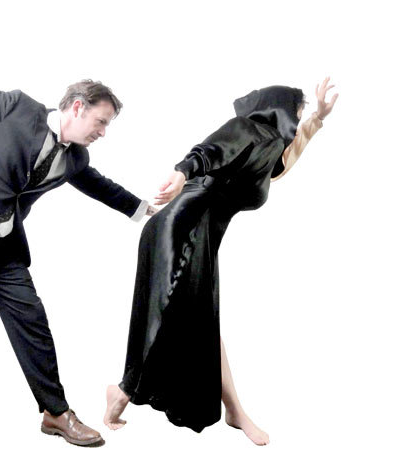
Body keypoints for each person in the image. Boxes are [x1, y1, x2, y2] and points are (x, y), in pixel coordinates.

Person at [0, 79, 155, 445]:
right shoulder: (17, 108)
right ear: (77, 107)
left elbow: (99, 186)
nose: (102, 132)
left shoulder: (75, 158)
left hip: (2, 249)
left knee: (32, 322)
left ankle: (56, 412)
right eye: (101, 122)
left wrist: (144, 210)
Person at [104, 78, 338, 446]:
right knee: (164, 314)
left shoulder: (265, 152)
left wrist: (318, 118)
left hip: (200, 235)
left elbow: (289, 156)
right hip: (178, 230)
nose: (298, 119)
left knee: (201, 320)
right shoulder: (245, 129)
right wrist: (183, 170)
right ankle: (124, 392)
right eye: (298, 111)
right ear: (279, 110)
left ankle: (231, 410)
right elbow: (212, 150)